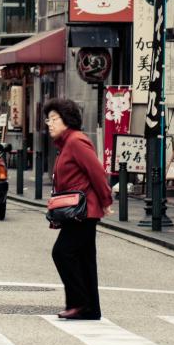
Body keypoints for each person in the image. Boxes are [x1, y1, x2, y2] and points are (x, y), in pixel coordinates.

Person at [45, 98, 112, 321]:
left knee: (62, 253)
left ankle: (79, 303)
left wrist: (106, 200)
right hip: (79, 212)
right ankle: (91, 308)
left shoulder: (76, 141)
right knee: (84, 259)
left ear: (67, 120)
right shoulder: (66, 144)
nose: (50, 124)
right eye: (48, 119)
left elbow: (97, 172)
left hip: (83, 212)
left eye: (54, 119)